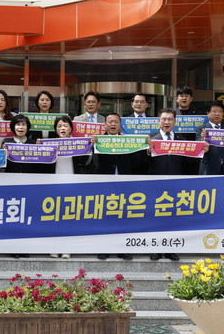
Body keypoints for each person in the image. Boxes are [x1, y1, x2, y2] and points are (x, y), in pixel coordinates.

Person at [40, 115, 94, 260]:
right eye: (59, 126)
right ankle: (54, 247)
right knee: (53, 218)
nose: (62, 128)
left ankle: (67, 249)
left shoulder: (76, 143)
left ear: (71, 129)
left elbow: (85, 162)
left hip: (72, 185)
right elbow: (42, 166)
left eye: (65, 126)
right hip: (54, 185)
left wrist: (89, 146)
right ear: (55, 129)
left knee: (69, 217)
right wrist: (39, 148)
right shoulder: (49, 144)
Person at [94, 112, 138, 261]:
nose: (113, 124)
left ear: (120, 125)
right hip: (104, 184)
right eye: (110, 122)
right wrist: (92, 146)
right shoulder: (98, 140)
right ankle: (104, 249)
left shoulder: (128, 141)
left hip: (124, 184)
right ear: (105, 125)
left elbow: (137, 162)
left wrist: (146, 147)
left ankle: (122, 249)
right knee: (105, 217)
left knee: (123, 217)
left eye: (116, 122)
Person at [146, 109, 186, 261]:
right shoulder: (150, 139)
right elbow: (140, 164)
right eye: (164, 119)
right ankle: (155, 249)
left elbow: (190, 163)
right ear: (158, 121)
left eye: (170, 119)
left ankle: (170, 249)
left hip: (176, 185)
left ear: (175, 122)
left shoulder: (182, 140)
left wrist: (203, 151)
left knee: (173, 218)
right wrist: (148, 152)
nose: (167, 122)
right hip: (156, 185)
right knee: (155, 217)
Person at [196, 101, 224, 175]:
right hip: (209, 168)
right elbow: (197, 146)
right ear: (208, 113)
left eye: (220, 111)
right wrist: (202, 139)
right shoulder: (201, 129)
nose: (217, 114)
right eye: (214, 111)